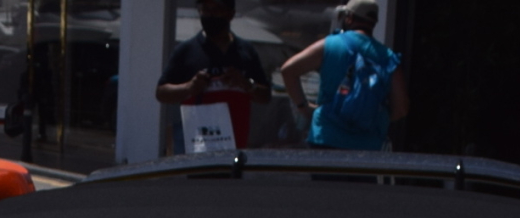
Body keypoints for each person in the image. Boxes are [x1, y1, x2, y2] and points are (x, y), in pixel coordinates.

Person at [277, 0, 403, 153]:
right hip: (368, 146)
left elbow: (288, 70)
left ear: (349, 18)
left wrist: (303, 107)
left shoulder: (330, 45)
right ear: (373, 23)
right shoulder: (388, 57)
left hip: (326, 138)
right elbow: (401, 108)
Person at [155, 0, 269, 152]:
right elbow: (161, 93)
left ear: (230, 14)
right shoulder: (187, 50)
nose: (210, 14)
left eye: (217, 9)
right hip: (197, 147)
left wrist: (246, 84)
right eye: (205, 9)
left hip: (236, 148)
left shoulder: (245, 51)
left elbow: (265, 96)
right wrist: (189, 87)